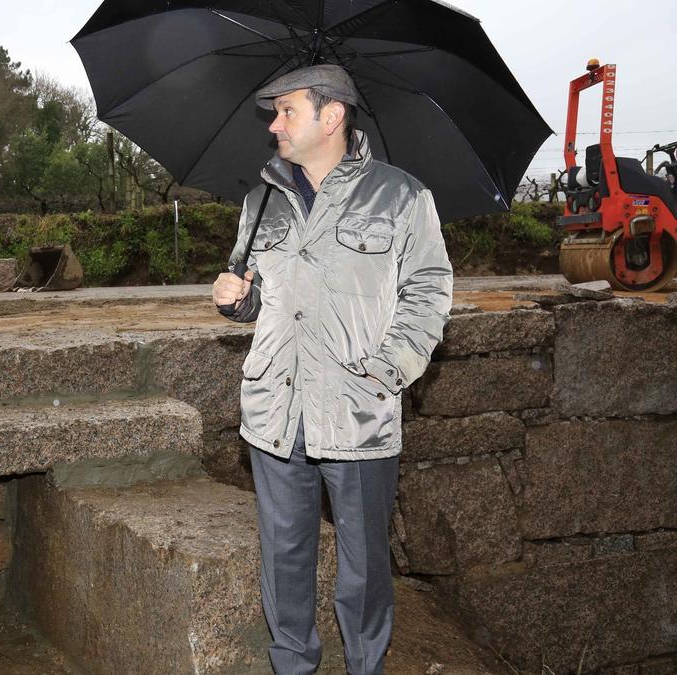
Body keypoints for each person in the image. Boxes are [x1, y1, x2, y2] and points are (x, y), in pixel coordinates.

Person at [211, 65, 453, 674]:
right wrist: (237, 297)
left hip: (358, 413)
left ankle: (365, 666)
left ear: (333, 115)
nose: (275, 124)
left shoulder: (401, 197)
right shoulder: (260, 197)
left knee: (365, 564)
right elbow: (258, 293)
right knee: (284, 555)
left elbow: (428, 293)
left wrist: (384, 372)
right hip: (276, 411)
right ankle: (292, 665)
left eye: (287, 110)